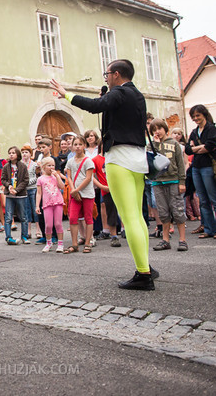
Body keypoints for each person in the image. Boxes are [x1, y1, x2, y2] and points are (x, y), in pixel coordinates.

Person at [51, 59, 157, 290]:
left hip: (120, 159)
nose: (106, 77)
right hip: (138, 159)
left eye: (107, 74)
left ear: (116, 74)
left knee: (128, 219)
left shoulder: (119, 93)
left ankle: (143, 274)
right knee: (137, 217)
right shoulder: (136, 95)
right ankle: (146, 265)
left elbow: (95, 105)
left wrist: (67, 95)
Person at [184, 104, 216, 239]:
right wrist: (199, 148)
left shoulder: (211, 129)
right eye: (193, 116)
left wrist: (195, 148)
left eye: (198, 115)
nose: (196, 118)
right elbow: (187, 149)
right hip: (196, 168)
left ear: (204, 114)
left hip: (209, 167)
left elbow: (210, 147)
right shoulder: (194, 131)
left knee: (215, 198)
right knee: (203, 200)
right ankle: (209, 229)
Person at [149, 119, 188, 252]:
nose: (157, 132)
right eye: (154, 130)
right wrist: (156, 145)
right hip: (158, 182)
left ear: (165, 129)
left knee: (177, 210)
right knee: (163, 212)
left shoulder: (174, 144)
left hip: (173, 181)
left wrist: (182, 181)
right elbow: (151, 161)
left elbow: (180, 164)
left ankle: (182, 240)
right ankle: (165, 239)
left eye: (159, 128)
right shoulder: (151, 145)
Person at [64, 136, 96, 254]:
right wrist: (73, 190)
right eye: (75, 144)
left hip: (86, 193)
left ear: (84, 146)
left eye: (80, 144)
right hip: (75, 194)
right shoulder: (70, 161)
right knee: (73, 217)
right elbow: (70, 177)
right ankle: (74, 244)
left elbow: (88, 178)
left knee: (88, 218)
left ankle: (88, 243)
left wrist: (77, 189)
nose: (77, 147)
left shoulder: (88, 161)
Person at [92, 142, 122, 247]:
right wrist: (101, 186)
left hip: (119, 188)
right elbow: (91, 176)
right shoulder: (96, 160)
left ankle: (125, 230)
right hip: (106, 190)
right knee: (111, 212)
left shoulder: (116, 158)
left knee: (124, 210)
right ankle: (114, 236)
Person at [35, 157, 65, 253]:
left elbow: (62, 186)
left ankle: (60, 243)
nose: (51, 167)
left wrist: (57, 176)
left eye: (53, 165)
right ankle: (49, 242)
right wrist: (37, 206)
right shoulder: (40, 179)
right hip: (47, 203)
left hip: (58, 202)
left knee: (58, 223)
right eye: (49, 165)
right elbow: (39, 193)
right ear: (44, 167)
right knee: (48, 225)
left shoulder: (56, 176)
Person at [1, 146, 29, 245]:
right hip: (10, 195)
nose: (11, 155)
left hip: (20, 195)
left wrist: (17, 190)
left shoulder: (22, 166)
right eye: (10, 153)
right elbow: (3, 179)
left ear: (17, 155)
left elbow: (26, 180)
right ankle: (8, 237)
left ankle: (24, 236)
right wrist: (9, 187)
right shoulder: (6, 166)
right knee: (8, 217)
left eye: (13, 153)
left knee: (23, 217)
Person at [21, 144, 40, 241]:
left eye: (26, 152)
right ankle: (28, 230)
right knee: (26, 210)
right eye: (23, 152)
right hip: (24, 189)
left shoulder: (34, 164)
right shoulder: (20, 164)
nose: (24, 154)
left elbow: (36, 177)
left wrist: (26, 182)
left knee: (35, 209)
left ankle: (38, 229)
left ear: (30, 154)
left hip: (32, 188)